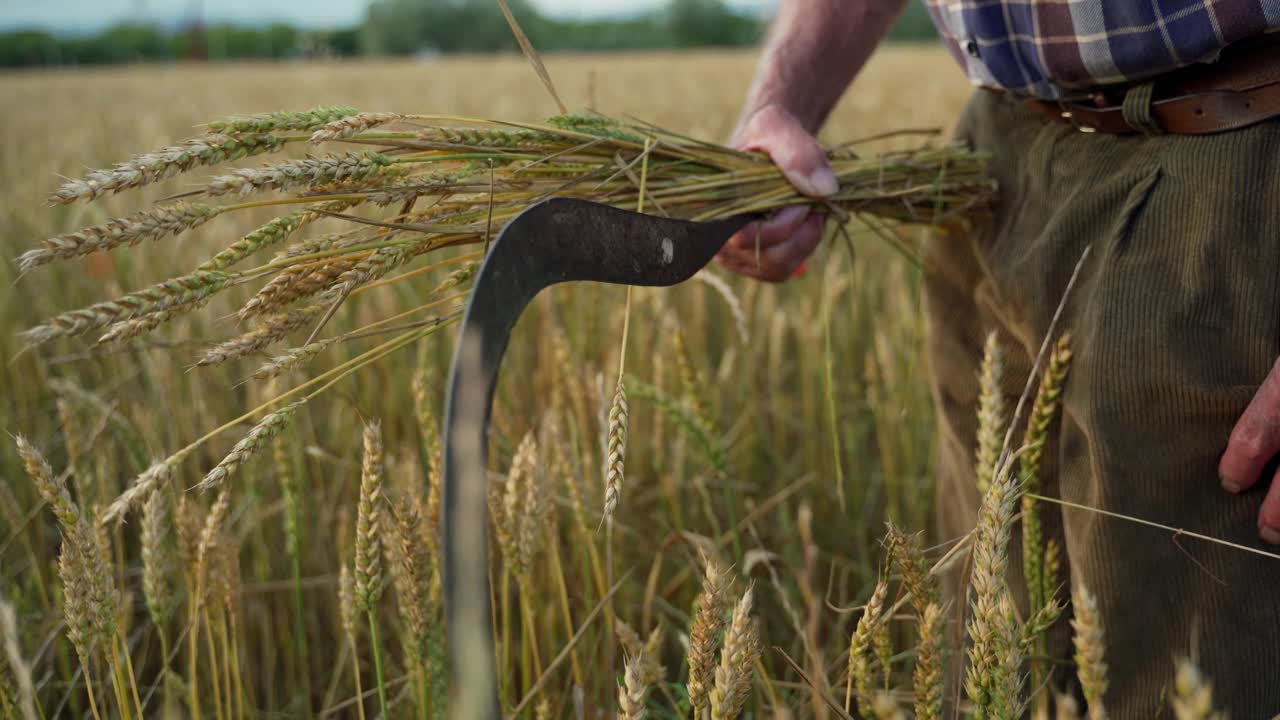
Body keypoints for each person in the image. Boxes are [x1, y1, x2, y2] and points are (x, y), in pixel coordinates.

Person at [719, 0, 1280, 715]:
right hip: (995, 168)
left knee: (1197, 684)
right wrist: (781, 103)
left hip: (1235, 163)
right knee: (991, 675)